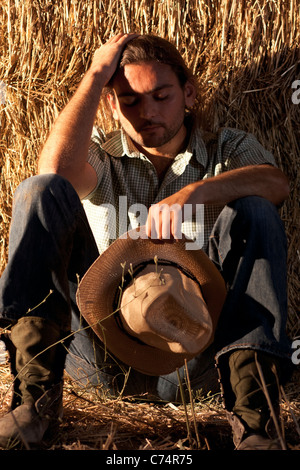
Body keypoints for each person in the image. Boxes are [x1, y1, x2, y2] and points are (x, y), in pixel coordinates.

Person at [0, 33, 292, 450]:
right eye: (131, 100)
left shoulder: (227, 149)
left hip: (196, 358)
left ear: (188, 94)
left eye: (161, 96)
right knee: (40, 192)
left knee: (257, 210)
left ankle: (256, 422)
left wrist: (195, 193)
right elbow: (55, 172)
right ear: (112, 104)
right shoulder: (101, 155)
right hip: (102, 358)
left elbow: (276, 184)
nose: (148, 112)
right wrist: (96, 74)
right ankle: (33, 406)